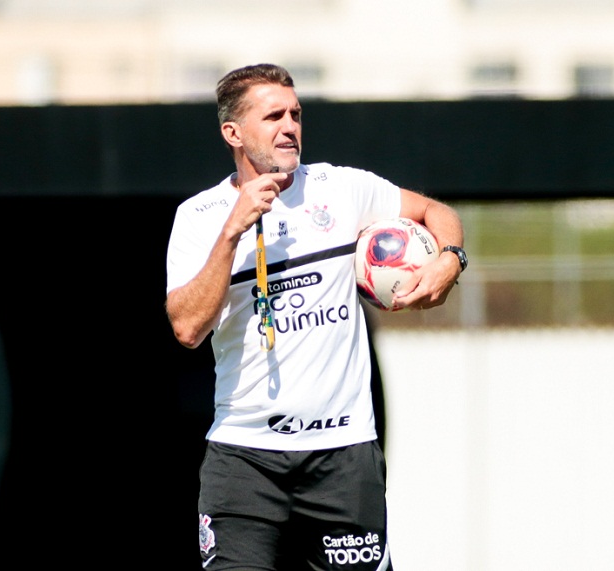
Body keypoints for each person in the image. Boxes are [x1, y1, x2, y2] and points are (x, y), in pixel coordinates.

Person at [165, 63, 466, 571]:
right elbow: (188, 328)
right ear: (233, 133)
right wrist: (231, 232)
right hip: (244, 458)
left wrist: (449, 259)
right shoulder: (199, 216)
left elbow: (437, 214)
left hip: (342, 456)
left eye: (296, 114)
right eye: (273, 116)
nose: (290, 127)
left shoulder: (340, 188)